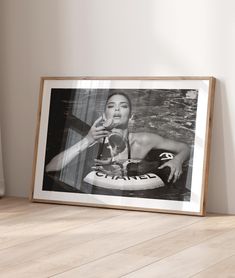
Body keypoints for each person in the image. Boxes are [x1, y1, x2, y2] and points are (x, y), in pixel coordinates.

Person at [46, 92, 190, 187]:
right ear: (104, 115)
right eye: (111, 106)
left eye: (123, 106)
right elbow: (51, 168)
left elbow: (185, 148)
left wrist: (177, 160)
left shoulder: (144, 140)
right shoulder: (95, 142)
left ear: (131, 116)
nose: (116, 110)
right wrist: (87, 140)